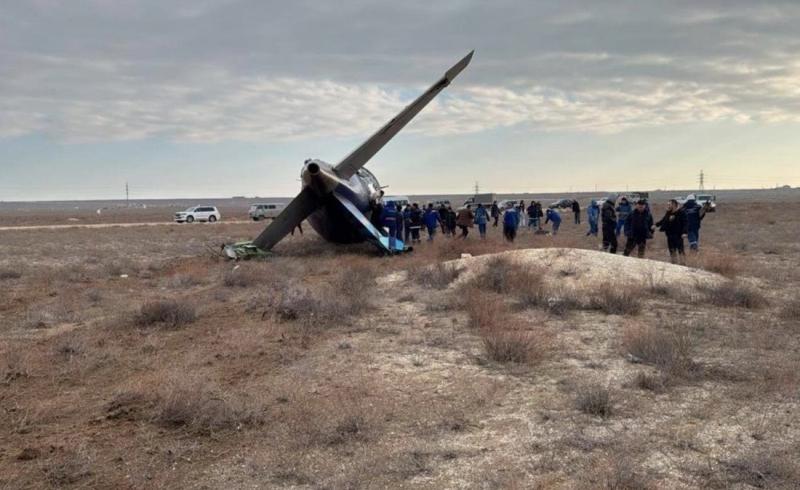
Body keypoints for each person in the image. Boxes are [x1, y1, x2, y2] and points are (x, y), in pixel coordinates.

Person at [655, 199, 688, 265]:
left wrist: (684, 232)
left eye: (669, 205)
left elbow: (685, 223)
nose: (668, 206)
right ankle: (674, 263)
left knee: (680, 249)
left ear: (674, 205)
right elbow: (663, 220)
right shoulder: (668, 213)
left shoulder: (681, 212)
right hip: (670, 234)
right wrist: (656, 225)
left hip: (678, 235)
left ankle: (683, 263)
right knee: (672, 249)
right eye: (668, 205)